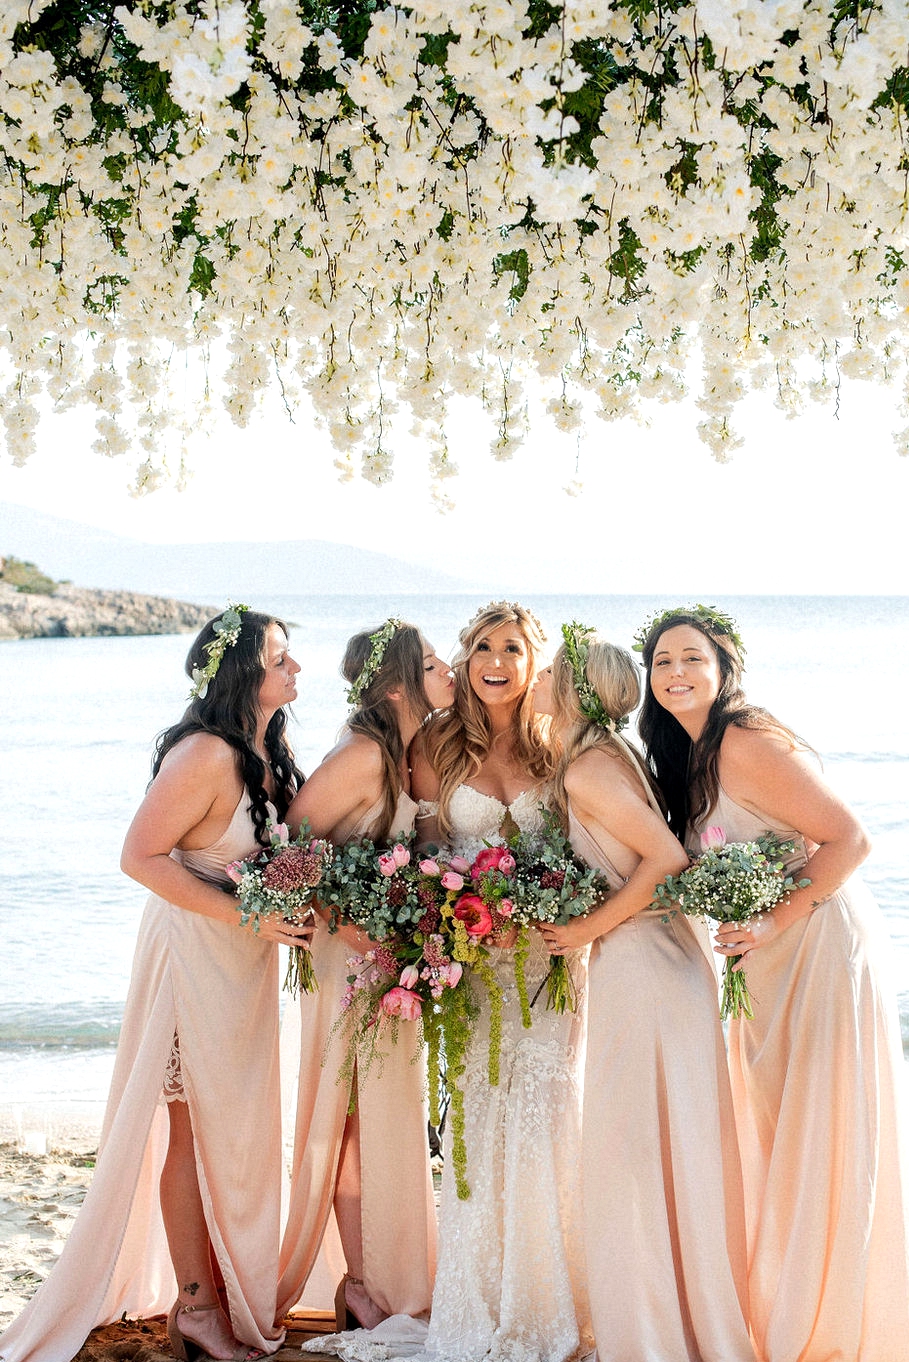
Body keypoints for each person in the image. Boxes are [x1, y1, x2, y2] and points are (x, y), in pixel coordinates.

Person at [0, 606, 313, 1362]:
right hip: (190, 958)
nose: (295, 669)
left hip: (241, 961)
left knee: (229, 1130)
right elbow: (140, 858)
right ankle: (198, 1305)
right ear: (240, 670)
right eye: (279, 658)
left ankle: (216, 1292)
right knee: (188, 1128)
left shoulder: (266, 751)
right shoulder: (204, 754)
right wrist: (250, 920)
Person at [637, 604, 909, 1362]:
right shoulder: (684, 758)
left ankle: (825, 1331)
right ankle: (788, 1311)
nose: (676, 673)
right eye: (661, 662)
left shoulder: (740, 740)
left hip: (813, 945)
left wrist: (767, 925)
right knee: (778, 1132)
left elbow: (849, 839)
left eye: (692, 658)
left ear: (723, 668)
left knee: (818, 1130)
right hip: (762, 962)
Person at [534, 624, 754, 1362]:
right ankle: (668, 1322)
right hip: (658, 961)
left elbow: (661, 858)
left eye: (546, 671)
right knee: (664, 1148)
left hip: (642, 967)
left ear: (569, 687)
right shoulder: (609, 753)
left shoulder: (587, 768)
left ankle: (653, 1337)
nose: (532, 681)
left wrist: (581, 930)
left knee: (633, 1151)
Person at [408, 601, 591, 1362]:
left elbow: (596, 852)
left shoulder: (564, 752)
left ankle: (550, 1300)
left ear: (533, 662)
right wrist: (447, 919)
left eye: (511, 648)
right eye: (481, 646)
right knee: (479, 1120)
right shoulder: (436, 747)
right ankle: (480, 1300)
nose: (494, 660)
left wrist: (567, 916)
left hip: (549, 967)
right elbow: (420, 855)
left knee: (546, 1113)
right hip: (473, 968)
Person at [276, 621, 451, 1331]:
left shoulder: (408, 755)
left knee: (373, 1115)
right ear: (394, 685)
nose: (450, 673)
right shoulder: (358, 757)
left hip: (386, 958)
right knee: (346, 1115)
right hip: (345, 954)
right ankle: (362, 1281)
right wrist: (345, 925)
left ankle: (366, 1278)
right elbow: (289, 846)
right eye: (435, 664)